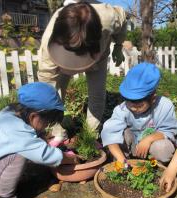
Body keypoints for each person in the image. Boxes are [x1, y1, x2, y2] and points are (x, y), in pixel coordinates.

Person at [38, 1, 127, 147]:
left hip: (98, 57)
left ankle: (91, 136)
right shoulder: (49, 47)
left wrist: (118, 45)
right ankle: (60, 123)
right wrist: (54, 125)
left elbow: (123, 19)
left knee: (97, 94)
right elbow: (47, 90)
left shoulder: (109, 17)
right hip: (61, 60)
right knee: (57, 89)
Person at [101, 62, 177, 163]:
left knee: (162, 148)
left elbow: (168, 131)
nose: (134, 109)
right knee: (121, 135)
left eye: (139, 106)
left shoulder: (164, 105)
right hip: (131, 149)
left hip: (152, 149)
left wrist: (148, 139)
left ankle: (156, 165)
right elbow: (109, 133)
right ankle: (126, 161)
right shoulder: (122, 109)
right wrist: (121, 159)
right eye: (130, 104)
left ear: (153, 98)